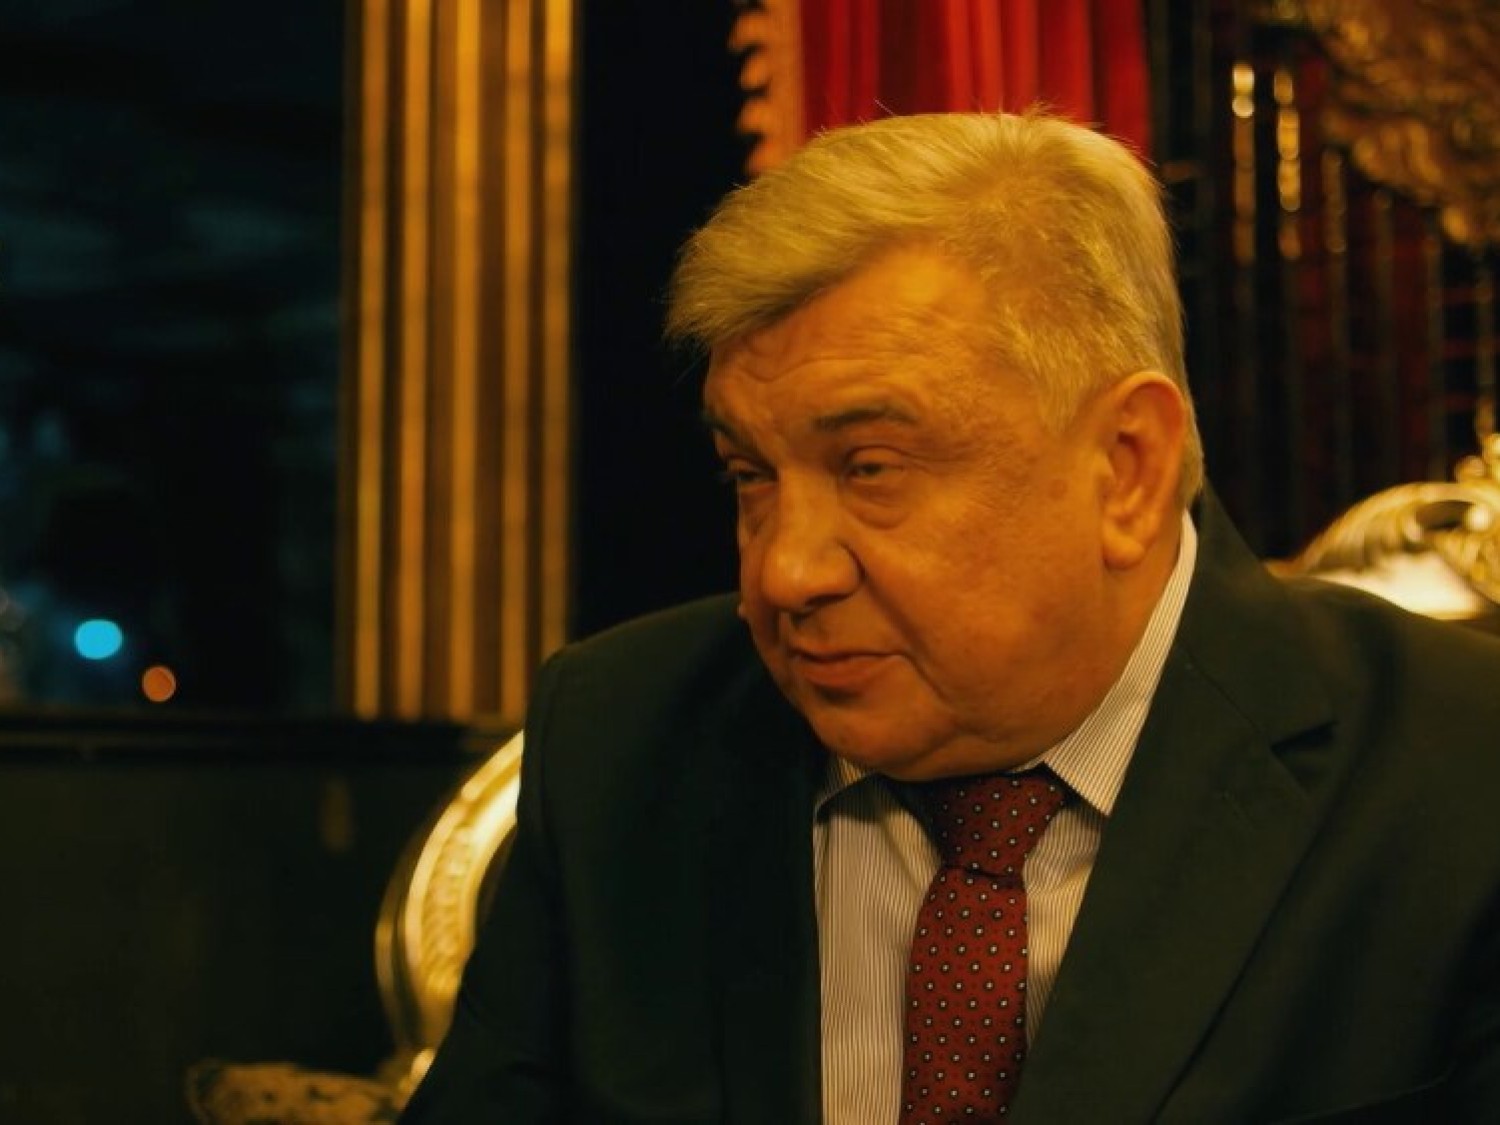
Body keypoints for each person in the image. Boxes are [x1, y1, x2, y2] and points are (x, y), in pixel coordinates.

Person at [401, 111, 1500, 1124]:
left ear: (1126, 469)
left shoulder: (1459, 773)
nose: (783, 573)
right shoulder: (627, 739)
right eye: (751, 476)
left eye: (870, 468)